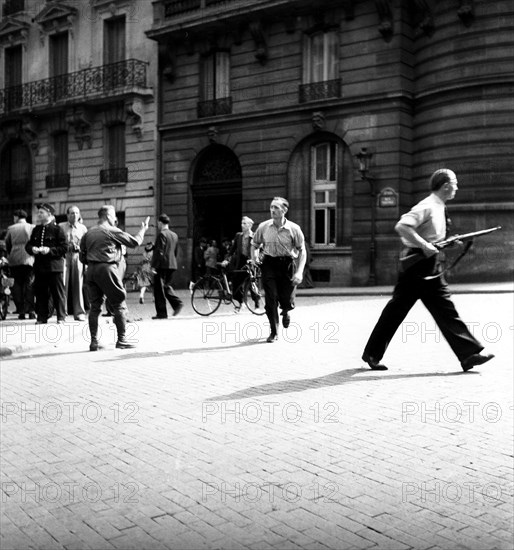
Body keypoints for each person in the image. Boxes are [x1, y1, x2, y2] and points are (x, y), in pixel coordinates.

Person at [361, 168, 494, 372]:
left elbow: (433, 239)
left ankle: (468, 355)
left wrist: (449, 242)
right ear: (446, 186)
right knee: (398, 311)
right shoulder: (428, 205)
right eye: (455, 184)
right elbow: (402, 226)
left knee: (443, 310)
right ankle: (372, 354)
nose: (457, 188)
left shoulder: (439, 206)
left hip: (428, 266)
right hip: (416, 266)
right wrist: (424, 245)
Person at [80, 205, 149, 351]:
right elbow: (134, 242)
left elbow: (82, 256)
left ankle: (93, 342)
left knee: (95, 307)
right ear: (107, 216)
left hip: (91, 270)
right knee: (119, 303)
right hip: (107, 268)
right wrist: (143, 229)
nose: (115, 219)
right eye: (113, 216)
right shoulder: (111, 230)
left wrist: (93, 263)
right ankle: (122, 340)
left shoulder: (88, 233)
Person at [251, 197, 306, 343]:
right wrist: (255, 257)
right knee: (271, 298)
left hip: (287, 264)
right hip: (269, 264)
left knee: (286, 299)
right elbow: (254, 244)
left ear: (284, 210)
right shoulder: (264, 227)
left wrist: (299, 271)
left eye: (276, 207)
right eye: (271, 207)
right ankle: (274, 331)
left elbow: (302, 250)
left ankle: (286, 311)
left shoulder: (294, 229)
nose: (272, 210)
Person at [25, 203, 67, 324]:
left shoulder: (57, 229)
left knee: (58, 293)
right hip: (40, 266)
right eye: (38, 212)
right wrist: (32, 249)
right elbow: (28, 245)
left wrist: (49, 250)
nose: (39, 214)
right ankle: (42, 317)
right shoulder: (36, 229)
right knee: (41, 292)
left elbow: (64, 247)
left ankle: (61, 317)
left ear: (49, 214)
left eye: (41, 212)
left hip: (54, 267)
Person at [150, 214, 183, 319]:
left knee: (159, 289)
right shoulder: (174, 235)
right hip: (172, 264)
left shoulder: (161, 235)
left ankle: (162, 313)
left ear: (160, 222)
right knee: (166, 286)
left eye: (158, 223)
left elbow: (159, 252)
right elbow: (175, 251)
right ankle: (177, 304)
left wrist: (154, 266)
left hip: (162, 265)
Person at [5, 209, 35, 319]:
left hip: (14, 259)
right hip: (29, 259)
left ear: (17, 217)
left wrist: (11, 254)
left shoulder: (11, 228)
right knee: (29, 285)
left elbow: (7, 244)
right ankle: (31, 310)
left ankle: (21, 311)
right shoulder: (32, 227)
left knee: (17, 285)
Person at [59, 205, 88, 321]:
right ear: (67, 215)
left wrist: (80, 248)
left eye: (77, 213)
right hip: (64, 257)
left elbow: (86, 245)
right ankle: (63, 312)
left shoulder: (83, 228)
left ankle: (79, 312)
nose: (74, 215)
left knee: (78, 284)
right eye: (72, 213)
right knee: (63, 284)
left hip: (77, 257)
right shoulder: (61, 227)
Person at [221, 216, 255, 310]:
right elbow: (232, 250)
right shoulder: (238, 236)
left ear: (250, 225)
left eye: (244, 223)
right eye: (242, 223)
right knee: (237, 283)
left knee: (252, 282)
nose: (242, 225)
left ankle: (256, 305)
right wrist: (226, 259)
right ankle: (240, 303)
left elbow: (259, 249)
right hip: (240, 262)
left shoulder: (254, 236)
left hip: (250, 261)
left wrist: (255, 260)